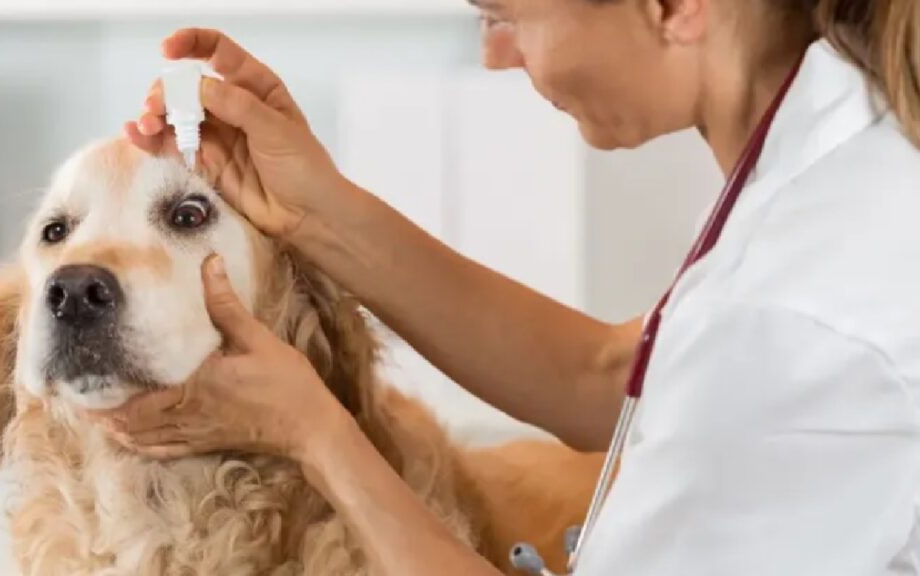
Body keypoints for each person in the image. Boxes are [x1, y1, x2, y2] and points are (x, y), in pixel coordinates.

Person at [100, 0, 920, 574]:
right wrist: (317, 211)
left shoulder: (793, 314)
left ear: (672, 6)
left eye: (503, 17)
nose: (495, 56)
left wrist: (317, 433)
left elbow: (728, 363)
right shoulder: (849, 161)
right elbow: (605, 376)